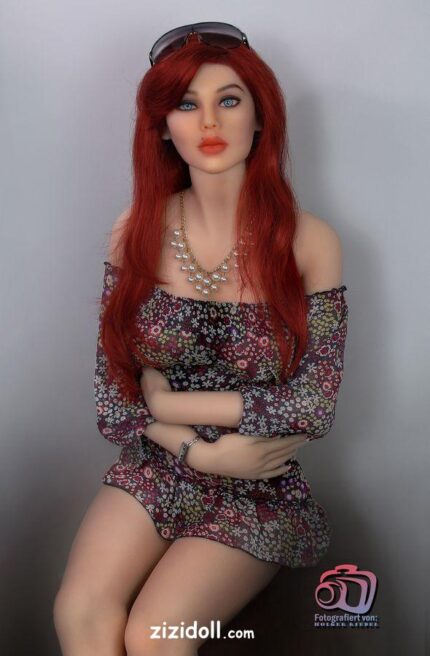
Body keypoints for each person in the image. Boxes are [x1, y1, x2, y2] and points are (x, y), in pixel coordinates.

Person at [53, 22, 349, 656]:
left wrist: (169, 403)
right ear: (162, 126)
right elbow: (112, 397)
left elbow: (314, 404)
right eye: (186, 104)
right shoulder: (135, 230)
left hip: (258, 481)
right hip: (159, 463)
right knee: (80, 613)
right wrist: (196, 452)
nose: (209, 121)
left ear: (260, 116)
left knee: (155, 636)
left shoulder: (308, 242)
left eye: (229, 99)